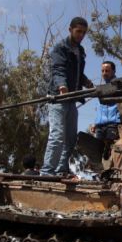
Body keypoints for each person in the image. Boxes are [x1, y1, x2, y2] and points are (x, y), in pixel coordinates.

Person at [41, 17, 94, 176]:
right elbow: (58, 69)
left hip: (71, 99)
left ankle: (61, 169)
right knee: (57, 136)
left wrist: (87, 82)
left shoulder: (81, 51)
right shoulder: (60, 48)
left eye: (84, 33)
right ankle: (47, 171)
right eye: (78, 31)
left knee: (70, 139)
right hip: (58, 97)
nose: (81, 35)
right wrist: (62, 86)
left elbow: (77, 72)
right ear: (70, 29)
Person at [90, 61, 121, 154]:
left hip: (113, 125)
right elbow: (100, 108)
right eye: (102, 71)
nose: (104, 73)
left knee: (111, 151)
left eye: (107, 71)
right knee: (98, 152)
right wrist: (95, 123)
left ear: (114, 71)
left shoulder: (120, 86)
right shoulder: (101, 88)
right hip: (100, 126)